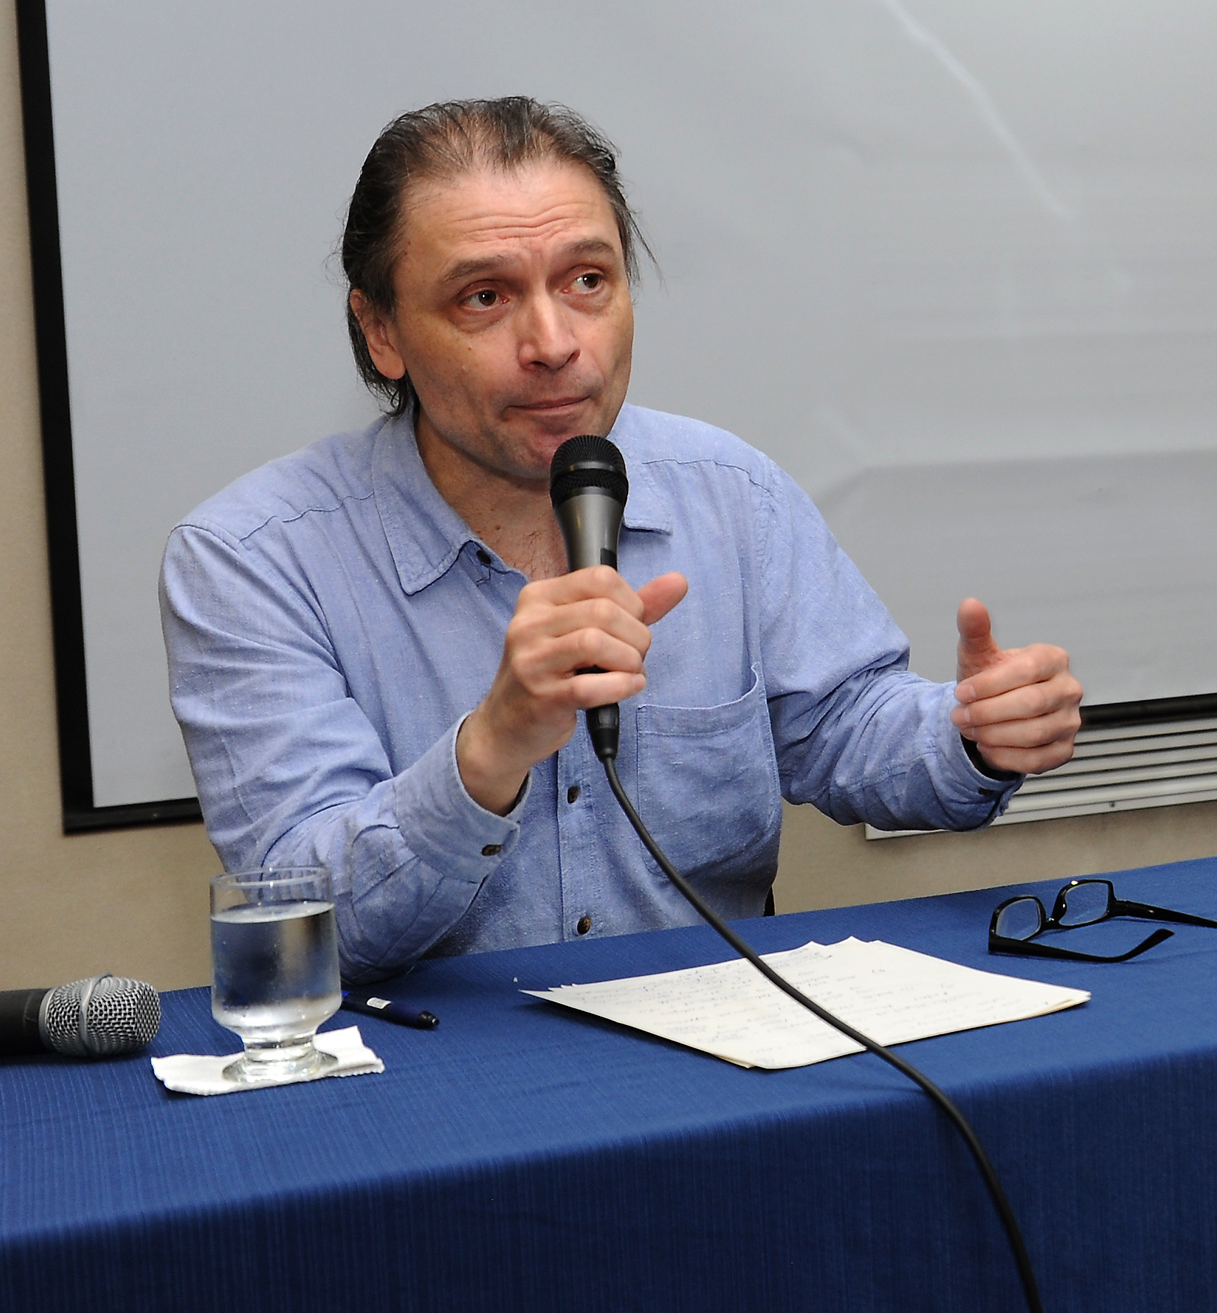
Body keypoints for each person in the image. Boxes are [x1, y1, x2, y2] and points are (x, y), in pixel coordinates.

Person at [162, 98, 1084, 974]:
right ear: (381, 332)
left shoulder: (732, 495)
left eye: (587, 281)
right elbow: (305, 911)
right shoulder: (249, 560)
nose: (555, 341)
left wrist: (969, 734)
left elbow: (844, 728)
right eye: (485, 297)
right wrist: (490, 749)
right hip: (427, 1080)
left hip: (719, 1050)